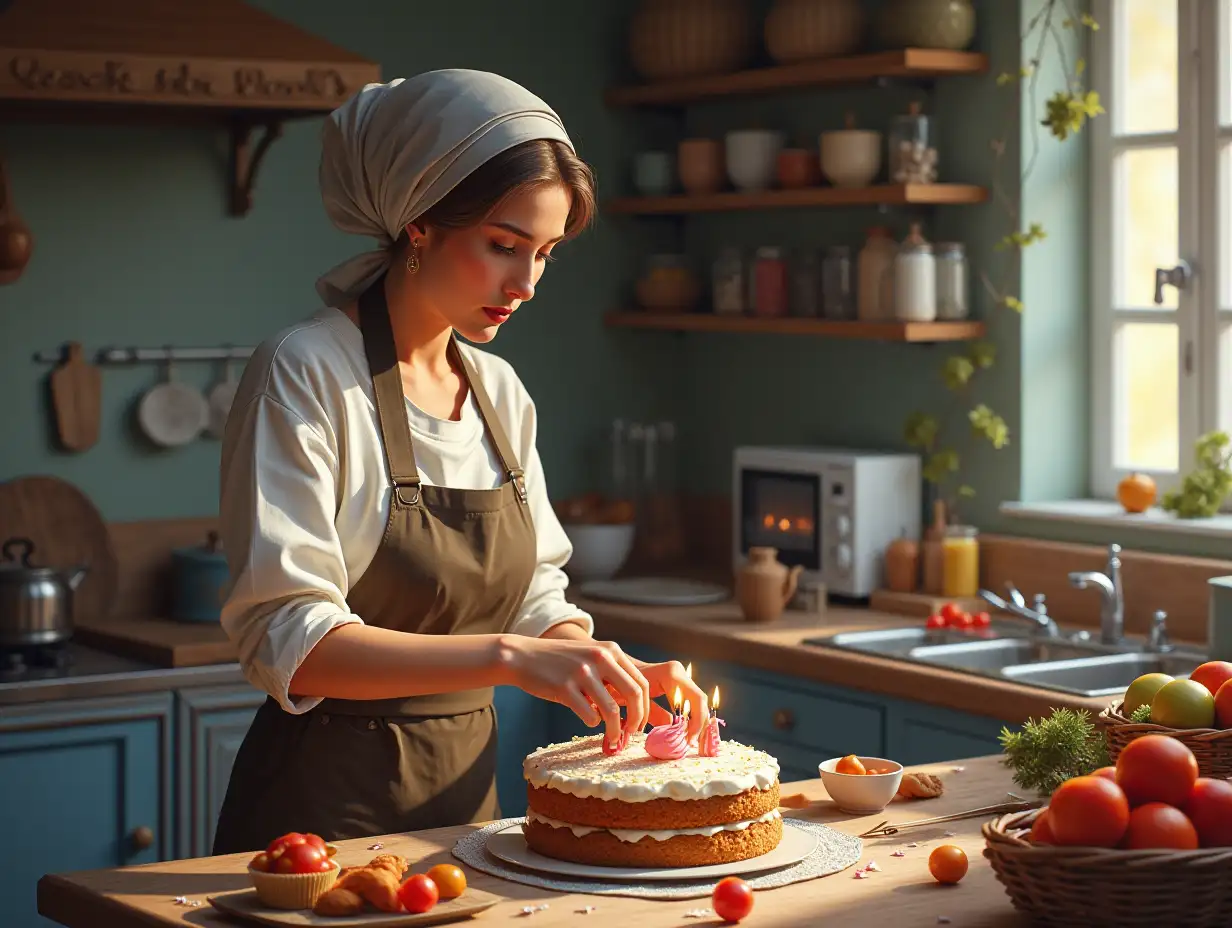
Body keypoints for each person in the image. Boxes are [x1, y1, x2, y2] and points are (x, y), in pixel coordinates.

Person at [210, 69, 708, 855]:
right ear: (419, 225)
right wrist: (514, 660)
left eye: (545, 254)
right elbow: (291, 643)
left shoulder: (501, 395)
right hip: (314, 825)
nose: (528, 283)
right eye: (504, 246)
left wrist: (601, 662)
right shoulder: (305, 372)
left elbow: (536, 594)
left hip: (465, 818)